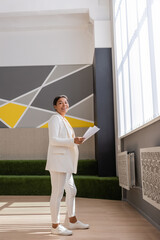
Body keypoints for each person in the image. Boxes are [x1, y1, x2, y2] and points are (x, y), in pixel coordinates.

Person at [45, 95, 89, 236]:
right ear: (55, 106)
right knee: (57, 194)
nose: (64, 105)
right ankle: (55, 225)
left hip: (66, 163)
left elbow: (68, 140)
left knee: (72, 190)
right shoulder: (54, 119)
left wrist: (75, 141)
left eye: (66, 102)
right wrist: (73, 140)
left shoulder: (64, 120)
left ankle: (72, 220)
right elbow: (53, 140)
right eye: (60, 103)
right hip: (59, 163)